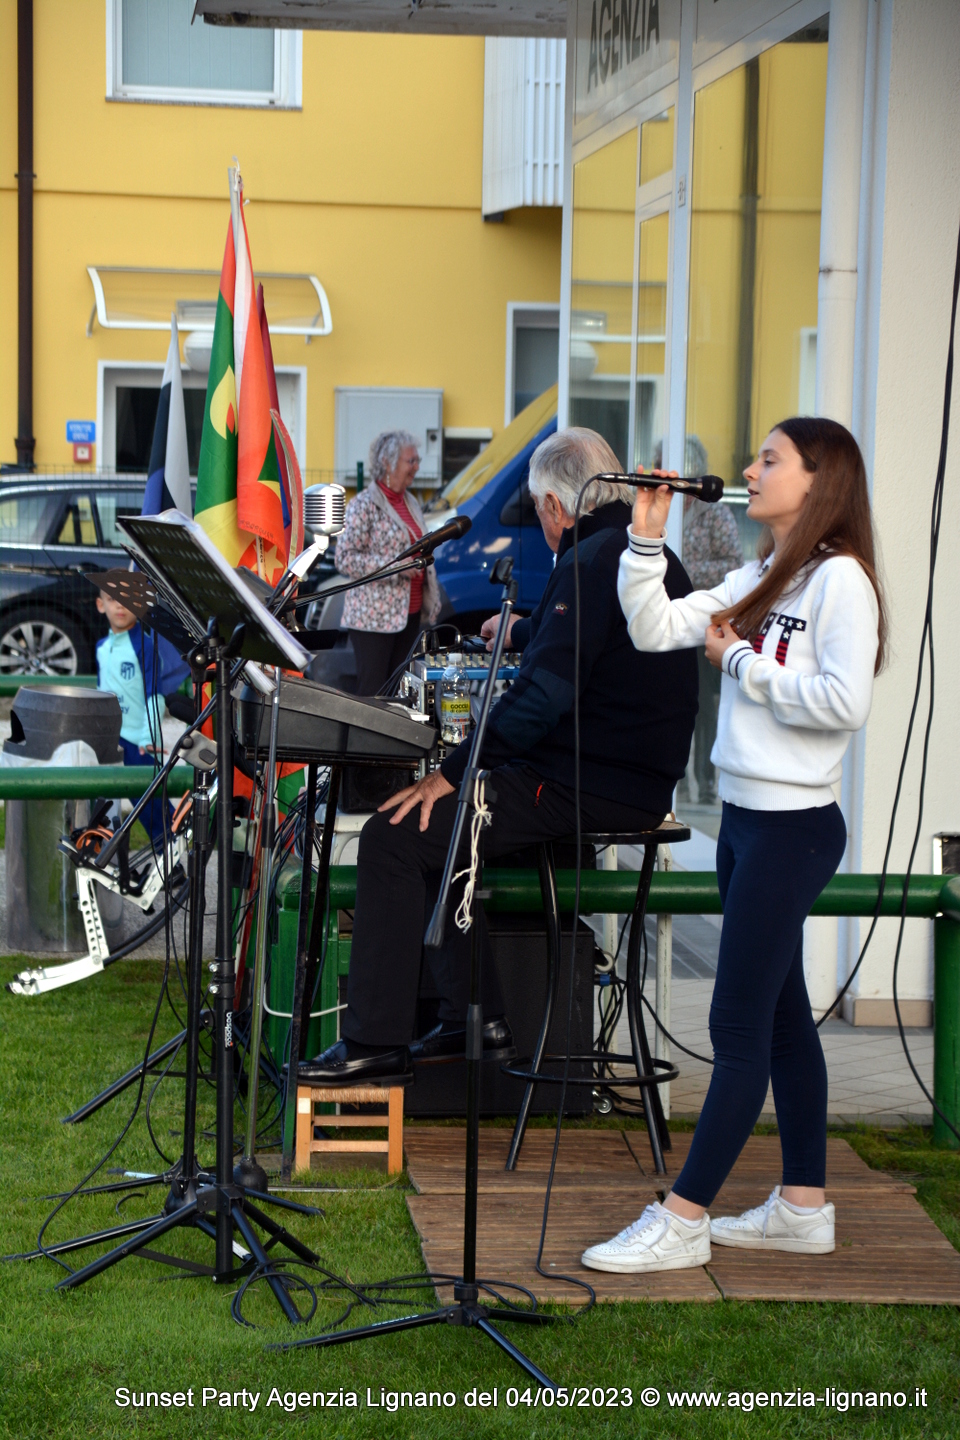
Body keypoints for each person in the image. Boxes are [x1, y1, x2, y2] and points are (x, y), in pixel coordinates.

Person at [299, 427, 699, 1084]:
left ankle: (373, 1042)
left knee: (395, 835)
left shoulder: (588, 560)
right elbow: (596, 636)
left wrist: (452, 774)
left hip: (587, 783)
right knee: (441, 834)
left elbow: (541, 700)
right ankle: (473, 1022)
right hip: (635, 779)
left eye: (540, 510)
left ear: (553, 506)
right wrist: (525, 628)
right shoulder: (639, 552)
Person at [581, 416, 886, 1275]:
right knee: (782, 1020)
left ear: (818, 479)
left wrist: (743, 663)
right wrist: (646, 540)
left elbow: (844, 702)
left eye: (769, 459)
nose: (749, 470)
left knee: (736, 1025)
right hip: (747, 822)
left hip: (793, 829)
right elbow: (655, 627)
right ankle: (802, 1207)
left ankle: (683, 1218)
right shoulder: (766, 571)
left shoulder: (841, 580)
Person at [334, 430, 441, 695]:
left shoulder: (411, 501)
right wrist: (397, 567)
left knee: (399, 693)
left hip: (409, 615)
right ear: (387, 463)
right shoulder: (363, 504)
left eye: (417, 460)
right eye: (411, 461)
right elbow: (344, 558)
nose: (416, 467)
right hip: (374, 621)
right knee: (373, 694)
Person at [95, 587, 189, 850]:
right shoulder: (102, 647)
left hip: (137, 742)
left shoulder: (145, 646)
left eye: (127, 599)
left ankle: (172, 860)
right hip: (108, 740)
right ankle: (109, 858)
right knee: (103, 803)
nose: (120, 606)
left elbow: (154, 695)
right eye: (112, 599)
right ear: (101, 605)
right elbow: (100, 692)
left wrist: (148, 737)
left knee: (149, 807)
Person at [679, 491, 743, 805]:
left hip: (702, 623)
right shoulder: (665, 511)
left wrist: (685, 568)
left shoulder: (716, 514)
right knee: (673, 702)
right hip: (673, 619)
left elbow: (732, 564)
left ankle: (705, 782)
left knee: (703, 705)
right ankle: (678, 782)